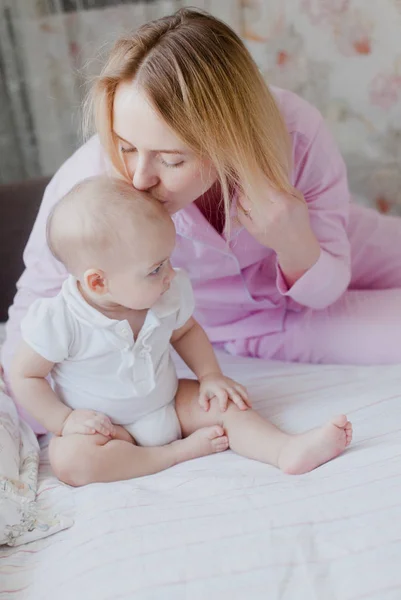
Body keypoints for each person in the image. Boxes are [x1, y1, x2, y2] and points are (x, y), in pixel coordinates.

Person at [2, 9, 401, 436]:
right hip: (262, 323)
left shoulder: (295, 133)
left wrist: (292, 240)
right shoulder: (90, 188)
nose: (139, 178)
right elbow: (35, 312)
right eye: (126, 146)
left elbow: (328, 276)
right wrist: (59, 421)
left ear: (232, 139)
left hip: (336, 246)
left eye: (172, 159)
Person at [9, 177, 352, 486]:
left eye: (168, 260)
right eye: (156, 268)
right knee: (69, 461)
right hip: (108, 430)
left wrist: (210, 375)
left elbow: (186, 332)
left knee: (225, 403)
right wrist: (65, 420)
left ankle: (285, 450)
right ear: (98, 282)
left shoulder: (165, 293)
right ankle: (174, 455)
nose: (170, 273)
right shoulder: (60, 319)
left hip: (169, 403)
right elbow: (24, 376)